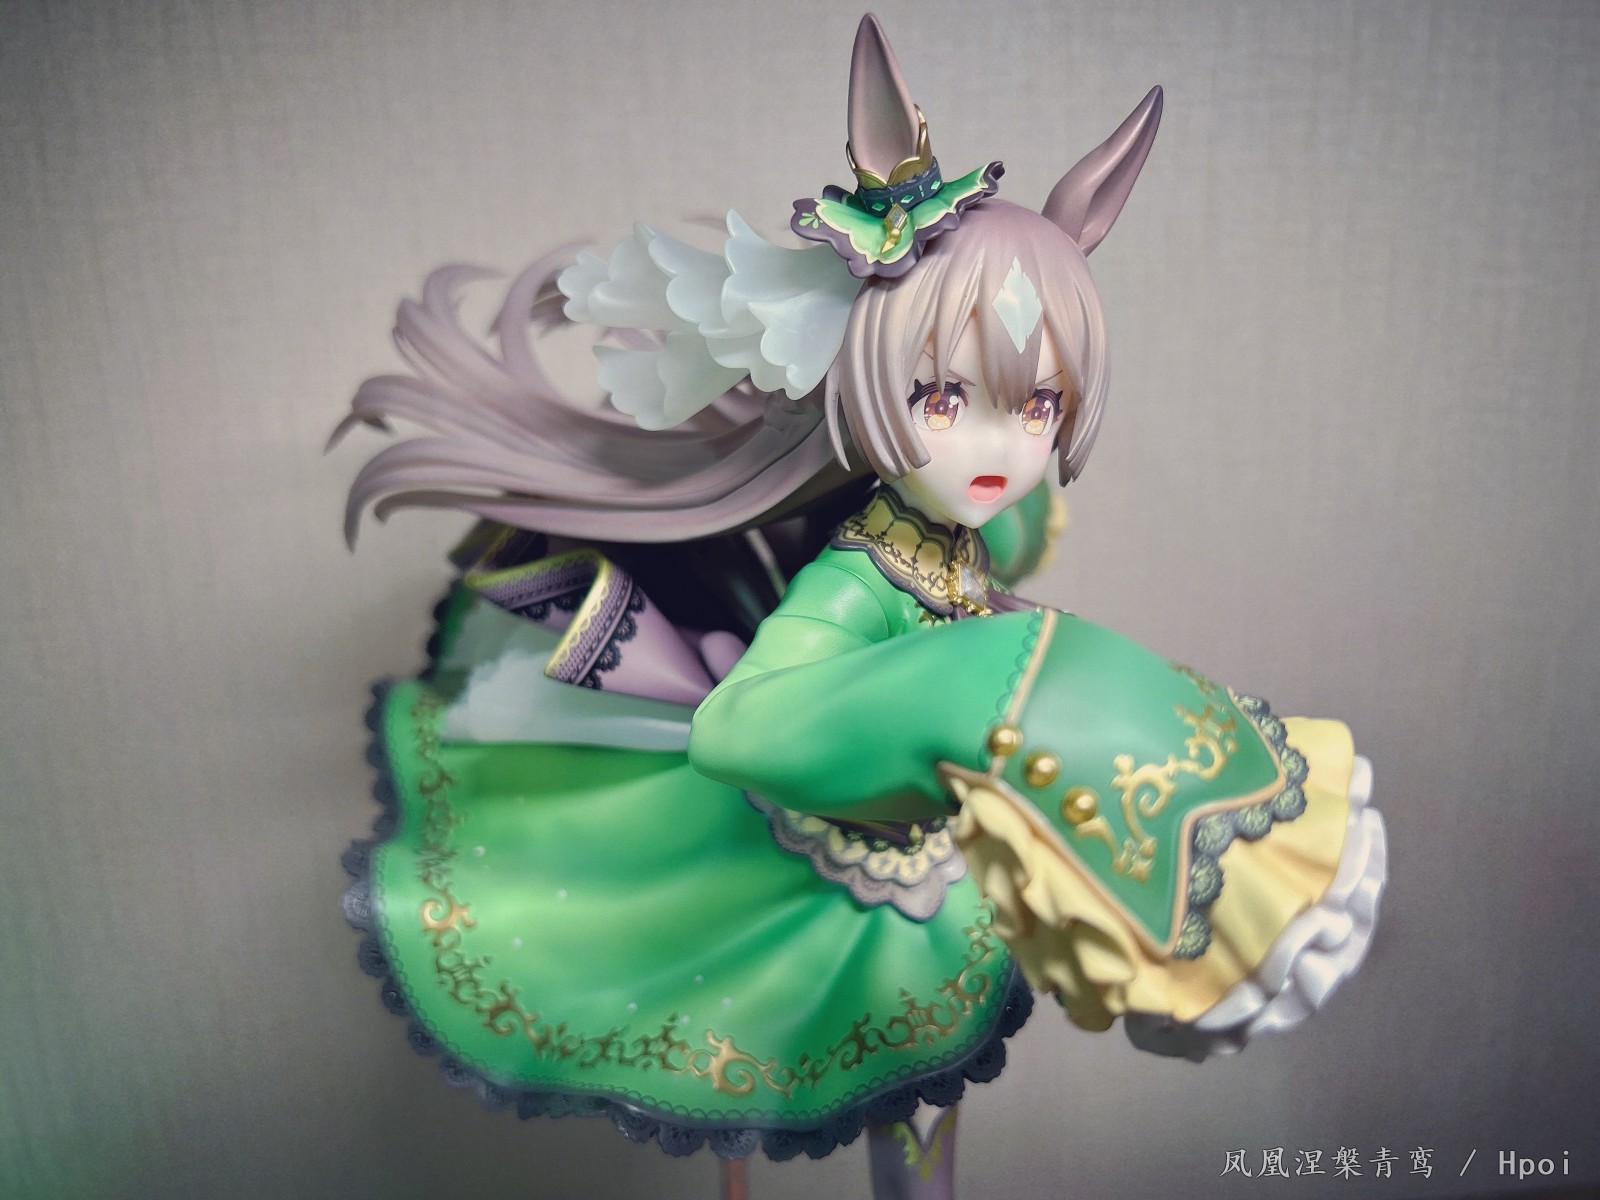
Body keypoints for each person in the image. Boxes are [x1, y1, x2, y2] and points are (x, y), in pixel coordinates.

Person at [335, 15, 1386, 1196]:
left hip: (928, 874)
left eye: (1036, 408)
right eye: (942, 397)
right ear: (877, 377)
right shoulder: (858, 575)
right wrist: (952, 692)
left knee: (922, 1125)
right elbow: (741, 726)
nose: (998, 446)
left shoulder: (966, 535)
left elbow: (995, 577)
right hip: (813, 891)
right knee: (793, 1106)